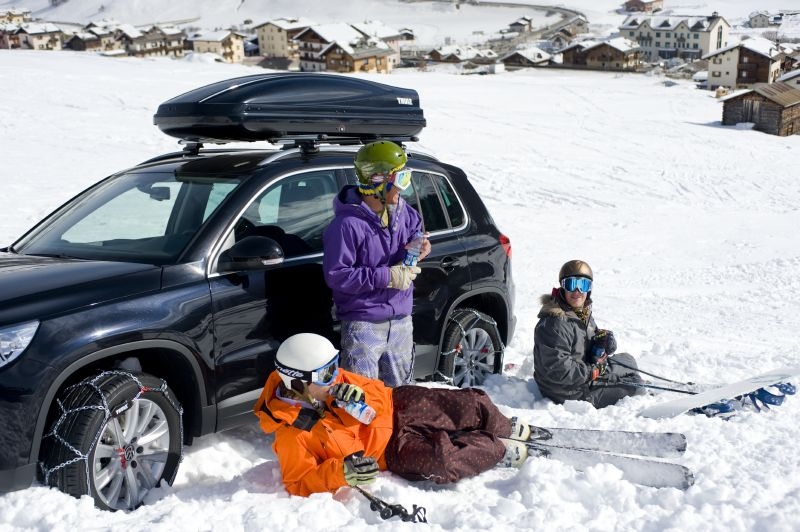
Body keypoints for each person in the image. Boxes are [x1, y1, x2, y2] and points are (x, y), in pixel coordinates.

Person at [253, 333, 532, 497]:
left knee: (468, 403)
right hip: (388, 451)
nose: (335, 374)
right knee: (443, 461)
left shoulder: (335, 381)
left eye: (334, 366)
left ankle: (503, 426)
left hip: (396, 405)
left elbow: (378, 390)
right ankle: (496, 448)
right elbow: (299, 481)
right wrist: (341, 473)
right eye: (326, 373)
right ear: (298, 382)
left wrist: (361, 396)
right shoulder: (291, 433)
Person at [322, 140, 431, 387]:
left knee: (401, 395)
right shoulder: (346, 226)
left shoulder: (405, 213)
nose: (404, 187)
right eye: (401, 178)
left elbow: (415, 237)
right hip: (364, 324)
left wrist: (421, 249)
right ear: (377, 180)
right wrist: (388, 276)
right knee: (363, 396)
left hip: (401, 320)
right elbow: (338, 275)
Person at [533, 260, 643, 409]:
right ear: (563, 287)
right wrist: (593, 372)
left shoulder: (580, 312)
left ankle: (629, 381)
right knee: (635, 386)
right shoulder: (555, 324)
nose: (577, 291)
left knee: (629, 360)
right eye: (571, 284)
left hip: (582, 372)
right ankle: (639, 391)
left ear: (589, 288)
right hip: (568, 392)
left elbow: (587, 342)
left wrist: (604, 343)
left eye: (583, 285)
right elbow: (559, 370)